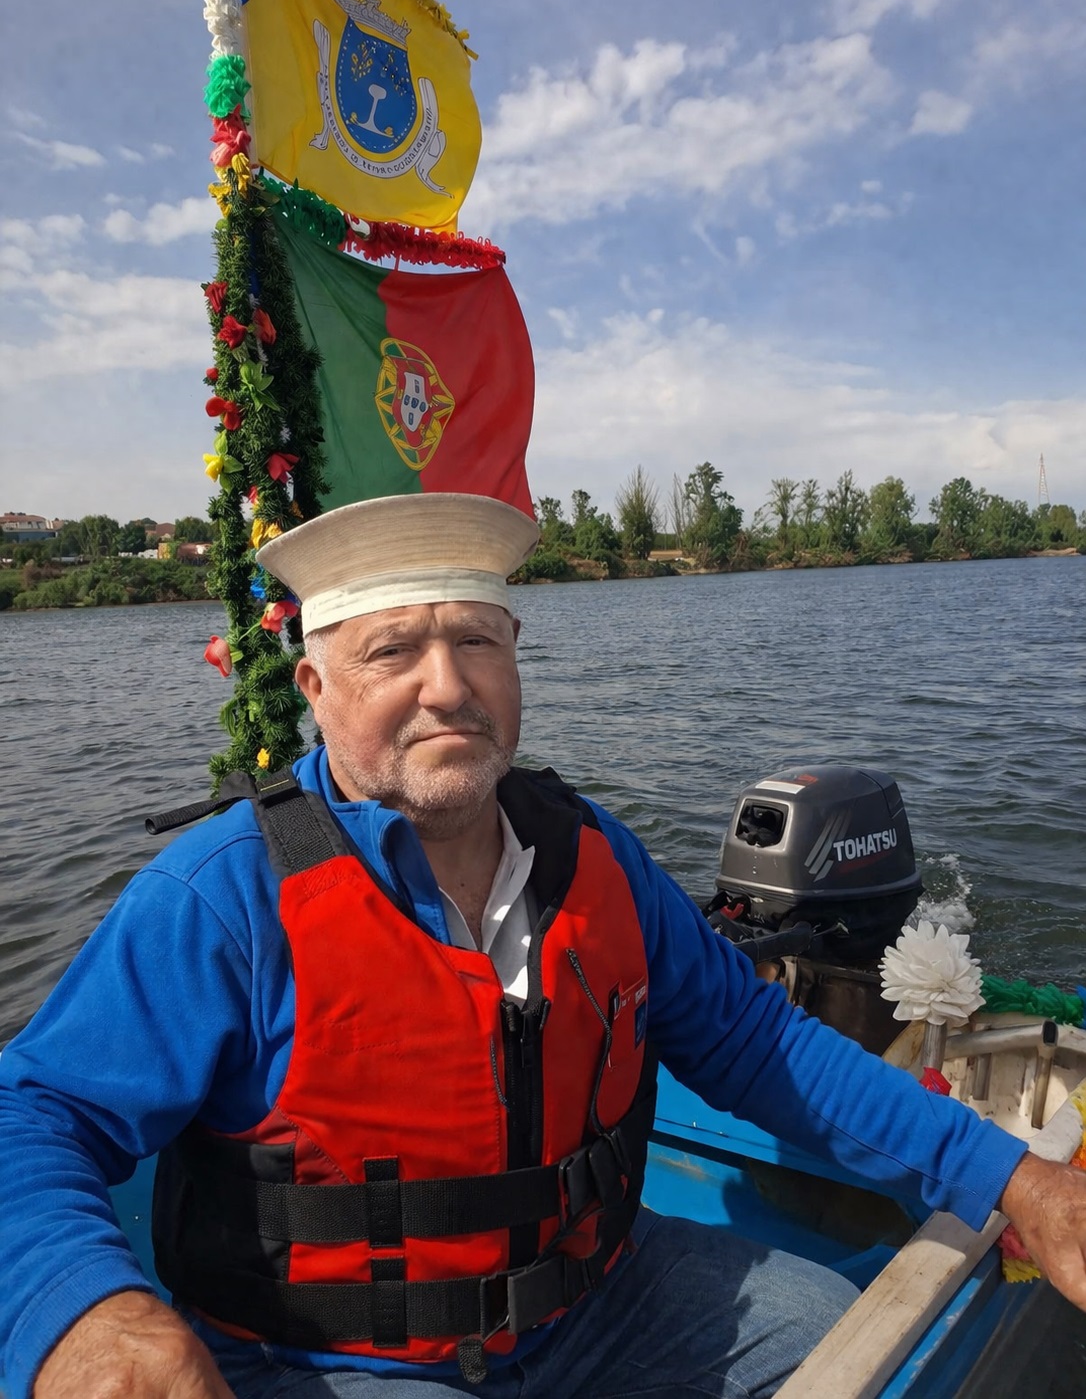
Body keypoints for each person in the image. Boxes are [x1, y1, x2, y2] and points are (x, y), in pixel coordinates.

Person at [1, 491, 1084, 1399]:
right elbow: (35, 1113)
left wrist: (1013, 1180)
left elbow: (760, 1045)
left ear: (515, 658)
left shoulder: (591, 855)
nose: (447, 683)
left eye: (475, 638)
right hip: (331, 1356)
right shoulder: (219, 898)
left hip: (598, 1300)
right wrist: (85, 1310)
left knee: (839, 1337)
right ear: (315, 690)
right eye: (394, 650)